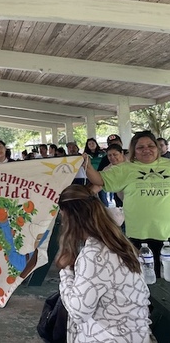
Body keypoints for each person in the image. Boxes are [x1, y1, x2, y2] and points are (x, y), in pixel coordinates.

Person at [56, 184, 151, 343]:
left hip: (110, 337)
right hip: (135, 333)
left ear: (72, 220)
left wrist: (66, 271)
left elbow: (78, 312)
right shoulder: (118, 241)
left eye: (63, 219)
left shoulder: (95, 255)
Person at [83, 130, 170, 277]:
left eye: (150, 145)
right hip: (140, 237)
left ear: (157, 147)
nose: (146, 149)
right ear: (133, 152)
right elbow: (99, 180)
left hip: (168, 234)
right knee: (145, 279)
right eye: (140, 147)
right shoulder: (126, 168)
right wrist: (87, 165)